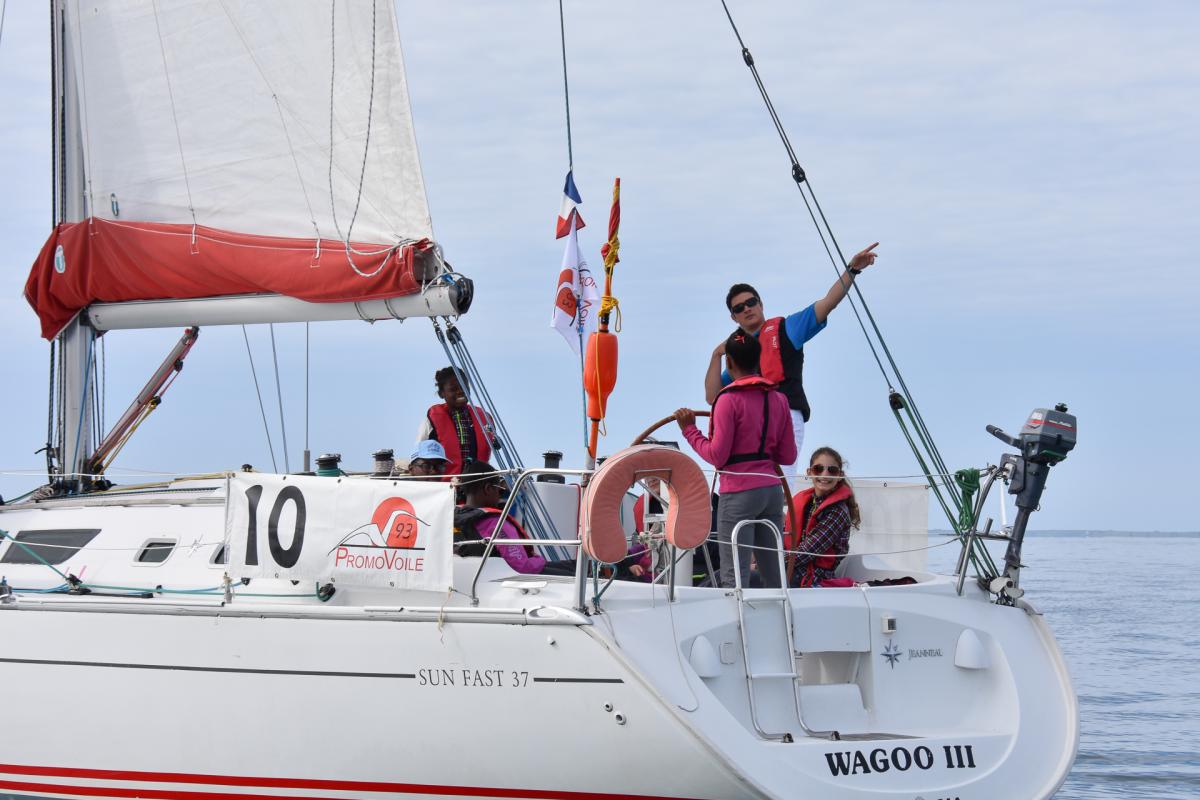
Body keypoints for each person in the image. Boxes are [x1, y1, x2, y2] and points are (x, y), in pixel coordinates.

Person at [703, 243, 880, 480]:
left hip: (785, 414)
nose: (747, 309)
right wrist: (717, 354)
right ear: (733, 317)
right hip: (751, 421)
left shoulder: (787, 328)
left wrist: (852, 270)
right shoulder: (740, 355)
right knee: (752, 481)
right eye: (739, 308)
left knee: (780, 481)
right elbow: (712, 397)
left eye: (751, 302)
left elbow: (828, 302)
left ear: (761, 304)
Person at [675, 331, 796, 589]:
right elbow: (788, 456)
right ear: (759, 359)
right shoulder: (779, 399)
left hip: (738, 493)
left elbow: (717, 456)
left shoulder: (727, 400)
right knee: (774, 574)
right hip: (771, 491)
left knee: (734, 578)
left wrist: (689, 430)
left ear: (728, 363)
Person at [454, 462, 575, 576]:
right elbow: (522, 566)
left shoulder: (454, 518)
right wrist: (539, 560)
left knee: (573, 566)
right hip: (513, 577)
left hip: (483, 575)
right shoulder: (495, 524)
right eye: (499, 490)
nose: (500, 495)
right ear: (488, 489)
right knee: (577, 570)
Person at [787, 447, 860, 587]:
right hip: (791, 570)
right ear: (809, 472)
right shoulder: (805, 501)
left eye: (832, 470)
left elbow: (807, 552)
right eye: (818, 469)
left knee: (748, 578)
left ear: (840, 475)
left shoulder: (838, 512)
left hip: (811, 579)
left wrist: (765, 564)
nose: (825, 475)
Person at [417, 367, 497, 475]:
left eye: (464, 387)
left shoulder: (485, 419)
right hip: (446, 483)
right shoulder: (430, 421)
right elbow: (419, 453)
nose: (460, 392)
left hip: (478, 481)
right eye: (453, 389)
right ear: (442, 394)